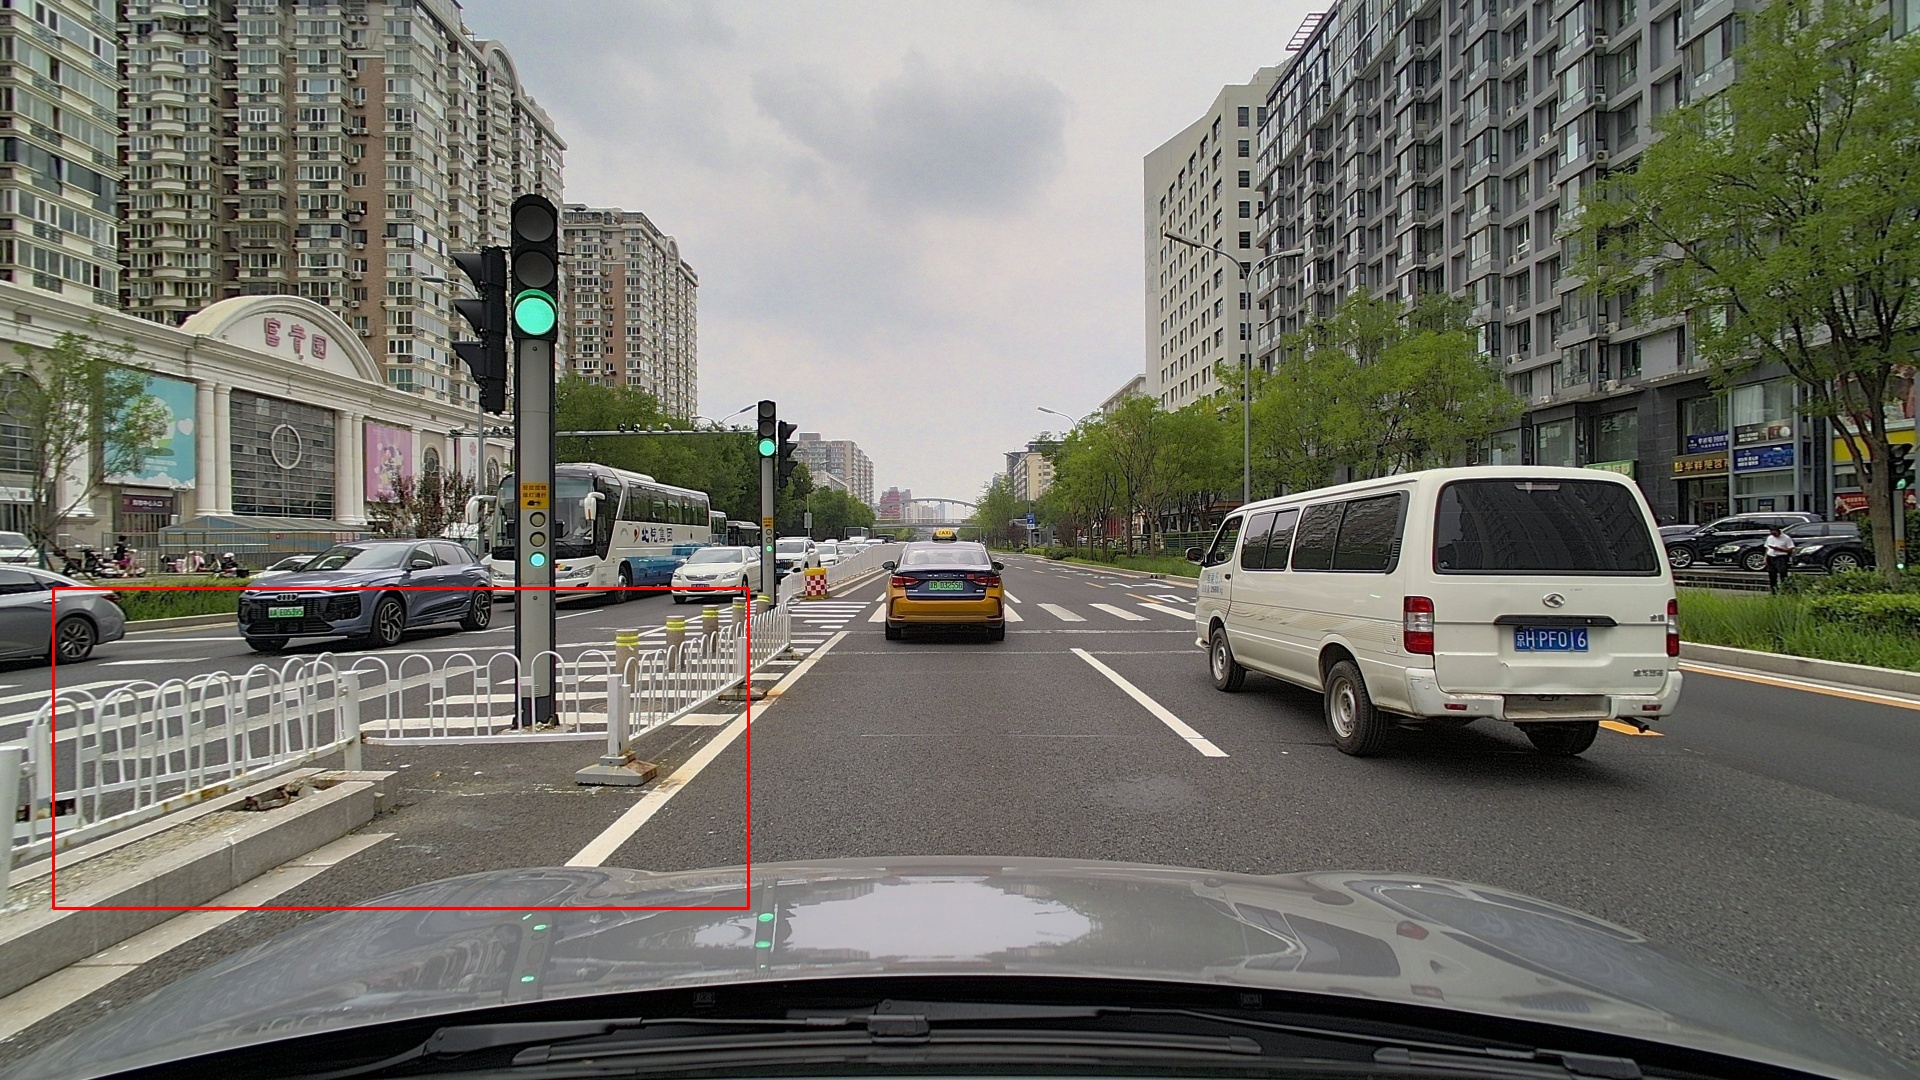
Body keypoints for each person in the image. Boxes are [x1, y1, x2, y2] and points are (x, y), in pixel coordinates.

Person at [1763, 526, 1796, 592]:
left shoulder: (1786, 538)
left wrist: (1780, 549)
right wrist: (1765, 559)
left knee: (1782, 572)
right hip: (1771, 556)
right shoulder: (1770, 538)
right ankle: (1773, 589)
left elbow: (1791, 549)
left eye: (1775, 533)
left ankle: (1785, 589)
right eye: (1772, 533)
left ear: (1779, 532)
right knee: (1772, 574)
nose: (1774, 535)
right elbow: (1767, 548)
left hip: (1781, 557)